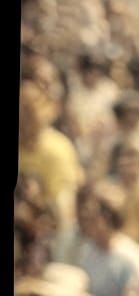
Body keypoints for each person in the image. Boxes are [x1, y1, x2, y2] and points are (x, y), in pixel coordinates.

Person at [19, 78, 84, 232]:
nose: (23, 120)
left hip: (47, 233)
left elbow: (64, 209)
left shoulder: (56, 149)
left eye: (27, 112)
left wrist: (36, 201)